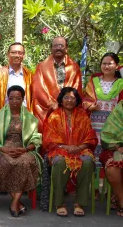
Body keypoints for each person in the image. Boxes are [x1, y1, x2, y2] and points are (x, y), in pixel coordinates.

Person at [0, 85, 42, 217]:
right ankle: (18, 203)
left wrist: (25, 149)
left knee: (26, 162)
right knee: (7, 163)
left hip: (23, 148)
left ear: (23, 99)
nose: (15, 101)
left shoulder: (30, 118)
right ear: (7, 99)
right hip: (3, 149)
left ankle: (14, 202)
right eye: (11, 98)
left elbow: (35, 139)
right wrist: (4, 149)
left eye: (18, 98)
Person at [43, 87, 97, 217]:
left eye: (72, 98)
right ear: (61, 100)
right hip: (59, 150)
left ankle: (79, 203)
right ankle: (59, 203)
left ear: (77, 100)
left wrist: (79, 147)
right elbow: (49, 138)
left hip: (81, 150)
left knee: (88, 162)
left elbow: (90, 136)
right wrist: (66, 147)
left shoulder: (82, 115)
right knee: (60, 163)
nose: (69, 100)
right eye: (66, 97)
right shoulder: (54, 116)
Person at [32, 36, 82, 132]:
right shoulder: (41, 67)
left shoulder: (74, 67)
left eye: (61, 46)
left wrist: (66, 103)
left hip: (68, 109)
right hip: (49, 110)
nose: (58, 48)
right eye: (55, 46)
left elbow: (76, 88)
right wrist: (53, 104)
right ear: (51, 48)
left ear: (66, 48)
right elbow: (38, 89)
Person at [83, 53, 123, 158]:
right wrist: (90, 106)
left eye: (110, 64)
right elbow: (86, 98)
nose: (106, 66)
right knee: (93, 147)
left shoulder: (121, 83)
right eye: (104, 63)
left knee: (110, 151)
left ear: (117, 66)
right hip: (94, 123)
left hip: (114, 125)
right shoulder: (94, 81)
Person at [99, 101, 123, 217]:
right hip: (117, 148)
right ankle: (122, 202)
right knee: (113, 168)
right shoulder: (119, 110)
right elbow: (107, 137)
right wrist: (118, 147)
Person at [0, 43, 33, 111]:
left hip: (24, 116)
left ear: (23, 55)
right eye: (13, 52)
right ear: (8, 54)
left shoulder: (29, 75)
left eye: (20, 53)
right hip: (4, 115)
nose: (17, 55)